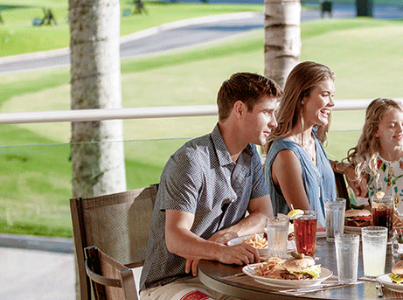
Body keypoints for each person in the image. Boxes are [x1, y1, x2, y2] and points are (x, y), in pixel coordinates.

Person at [138, 72, 280, 300]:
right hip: (172, 283)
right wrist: (220, 251)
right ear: (240, 110)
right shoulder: (191, 160)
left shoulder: (250, 155)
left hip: (222, 279)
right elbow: (175, 237)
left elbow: (264, 214)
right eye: (267, 112)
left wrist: (223, 237)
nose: (274, 122)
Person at [265, 61, 357, 223]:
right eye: (325, 95)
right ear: (302, 97)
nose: (332, 103)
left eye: (332, 95)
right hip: (305, 246)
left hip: (328, 240)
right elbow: (305, 221)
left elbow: (311, 169)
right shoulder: (286, 155)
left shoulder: (313, 138)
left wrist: (343, 168)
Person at [343, 98, 403, 207]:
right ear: (375, 131)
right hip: (375, 221)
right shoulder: (368, 157)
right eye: (392, 125)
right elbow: (362, 199)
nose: (400, 130)